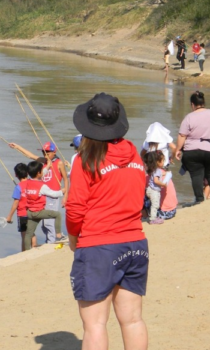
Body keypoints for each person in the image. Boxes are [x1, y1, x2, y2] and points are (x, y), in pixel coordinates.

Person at [67, 92, 149, 350]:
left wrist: (73, 238)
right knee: (133, 320)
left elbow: (75, 208)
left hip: (99, 246)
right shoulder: (134, 155)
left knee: (95, 325)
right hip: (135, 242)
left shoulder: (85, 160)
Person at [8, 141, 69, 244]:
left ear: (54, 152)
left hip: (53, 195)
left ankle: (52, 241)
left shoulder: (59, 163)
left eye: (48, 152)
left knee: (49, 222)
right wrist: (17, 147)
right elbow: (30, 155)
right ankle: (50, 240)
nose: (45, 155)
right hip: (42, 195)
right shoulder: (43, 161)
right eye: (44, 153)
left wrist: (65, 196)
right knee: (44, 224)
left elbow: (66, 180)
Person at [175, 91, 210, 203]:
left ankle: (199, 199)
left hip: (192, 150)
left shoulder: (189, 117)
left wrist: (178, 150)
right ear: (204, 102)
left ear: (192, 104)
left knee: (196, 175)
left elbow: (182, 135)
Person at [19, 160, 67, 249]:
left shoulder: (27, 182)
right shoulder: (42, 186)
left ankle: (26, 252)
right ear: (38, 173)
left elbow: (41, 174)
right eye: (42, 170)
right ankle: (58, 234)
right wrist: (62, 192)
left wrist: (48, 166)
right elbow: (53, 194)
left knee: (28, 234)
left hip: (29, 212)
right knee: (57, 215)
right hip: (39, 212)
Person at [5, 163, 36, 252]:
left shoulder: (18, 187)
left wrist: (9, 216)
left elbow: (16, 203)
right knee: (32, 232)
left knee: (24, 235)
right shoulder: (33, 183)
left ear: (16, 175)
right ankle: (34, 248)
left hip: (23, 214)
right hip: (33, 212)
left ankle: (24, 252)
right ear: (27, 173)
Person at [144, 151, 168, 224]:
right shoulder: (157, 170)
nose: (164, 162)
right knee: (155, 205)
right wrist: (163, 184)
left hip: (150, 189)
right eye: (162, 160)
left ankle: (152, 215)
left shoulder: (154, 169)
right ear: (157, 162)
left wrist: (166, 173)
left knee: (153, 204)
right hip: (154, 191)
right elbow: (156, 181)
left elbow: (159, 174)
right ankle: (152, 219)